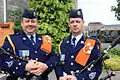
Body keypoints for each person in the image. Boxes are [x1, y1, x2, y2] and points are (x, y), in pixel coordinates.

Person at [0, 8, 58, 80]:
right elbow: (3, 61)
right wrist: (24, 67)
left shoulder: (45, 40)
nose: (30, 24)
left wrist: (46, 65)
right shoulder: (11, 40)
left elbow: (54, 57)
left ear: (37, 23)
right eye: (27, 21)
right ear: (22, 23)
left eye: (33, 21)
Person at [55, 9, 102, 80]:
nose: (75, 24)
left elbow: (97, 69)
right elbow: (58, 64)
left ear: (83, 23)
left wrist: (78, 78)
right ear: (69, 24)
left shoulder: (91, 43)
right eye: (72, 22)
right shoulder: (63, 44)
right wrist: (61, 76)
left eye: (78, 21)